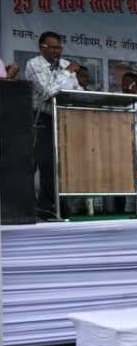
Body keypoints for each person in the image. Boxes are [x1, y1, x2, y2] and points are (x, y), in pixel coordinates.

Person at [23, 31, 83, 216]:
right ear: (42, 47)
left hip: (64, 118)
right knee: (45, 162)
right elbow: (47, 91)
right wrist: (67, 73)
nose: (58, 51)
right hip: (42, 118)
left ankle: (59, 204)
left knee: (62, 163)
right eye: (53, 47)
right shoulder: (34, 64)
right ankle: (42, 205)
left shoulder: (65, 64)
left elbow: (76, 89)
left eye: (59, 47)